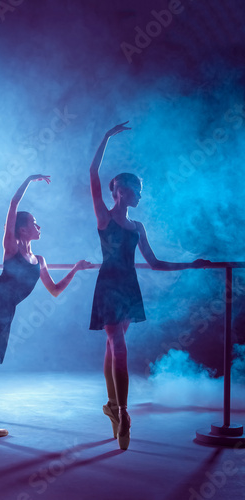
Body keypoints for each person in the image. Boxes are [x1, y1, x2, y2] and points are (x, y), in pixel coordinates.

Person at [89, 122, 209, 450]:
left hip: (129, 286)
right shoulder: (104, 216)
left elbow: (155, 263)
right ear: (122, 191)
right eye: (137, 189)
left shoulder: (138, 226)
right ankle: (124, 414)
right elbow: (91, 174)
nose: (141, 195)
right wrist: (105, 137)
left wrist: (191, 264)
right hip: (109, 286)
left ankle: (113, 407)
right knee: (118, 347)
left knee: (113, 346)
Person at [0, 149, 92, 439]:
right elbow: (12, 204)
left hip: (5, 311)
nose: (39, 226)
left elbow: (55, 291)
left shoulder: (41, 260)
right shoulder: (12, 246)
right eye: (35, 222)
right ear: (22, 229)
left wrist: (75, 269)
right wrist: (28, 180)